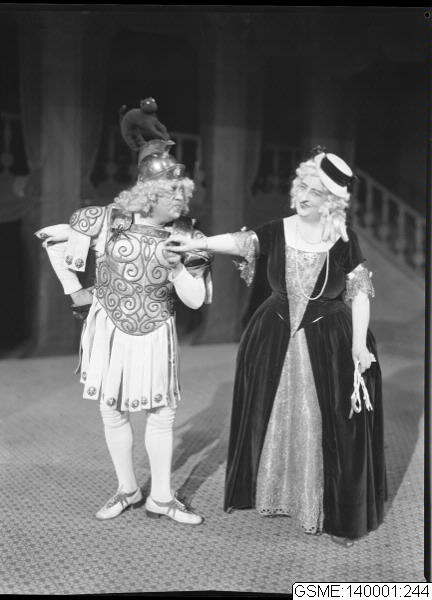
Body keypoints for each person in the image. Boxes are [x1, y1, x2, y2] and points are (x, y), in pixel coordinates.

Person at [166, 148, 386, 545]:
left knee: (330, 422)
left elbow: (359, 294)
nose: (303, 196)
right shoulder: (279, 229)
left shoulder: (343, 240)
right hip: (274, 335)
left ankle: (329, 506)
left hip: (329, 340)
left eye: (314, 192)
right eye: (301, 187)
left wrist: (358, 344)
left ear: (331, 200)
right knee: (271, 413)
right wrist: (194, 243)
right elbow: (241, 241)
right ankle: (274, 491)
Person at [35, 107, 212, 525]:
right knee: (112, 410)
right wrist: (77, 292)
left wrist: (176, 268)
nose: (183, 199)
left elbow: (195, 301)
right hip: (109, 325)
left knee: (161, 414)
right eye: (174, 193)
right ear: (150, 194)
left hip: (156, 329)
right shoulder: (108, 221)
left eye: (183, 192)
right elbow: (54, 237)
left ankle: (161, 497)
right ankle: (128, 488)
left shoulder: (188, 236)